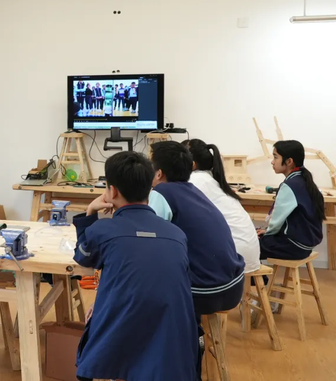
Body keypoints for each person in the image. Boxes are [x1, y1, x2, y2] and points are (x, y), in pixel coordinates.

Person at [73, 151, 198, 381]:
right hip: (173, 341)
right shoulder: (176, 234)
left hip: (121, 335)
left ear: (112, 191)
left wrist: (90, 211)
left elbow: (83, 256)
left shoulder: (103, 230)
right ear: (150, 189)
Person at [148, 141, 245, 380]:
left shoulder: (161, 193)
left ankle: (162, 364)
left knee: (141, 290)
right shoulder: (194, 190)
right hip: (232, 286)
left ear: (158, 173)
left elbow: (147, 241)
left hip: (204, 293)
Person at [182, 139, 260, 273]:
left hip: (234, 256)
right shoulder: (210, 179)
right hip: (247, 253)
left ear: (193, 164)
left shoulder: (195, 180)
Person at [259, 140, 325, 260]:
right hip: (305, 246)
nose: (272, 162)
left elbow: (276, 222)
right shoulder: (304, 180)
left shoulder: (289, 185)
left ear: (289, 161)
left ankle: (257, 274)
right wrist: (266, 231)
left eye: (275, 157)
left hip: (292, 246)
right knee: (256, 239)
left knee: (249, 245)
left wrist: (266, 232)